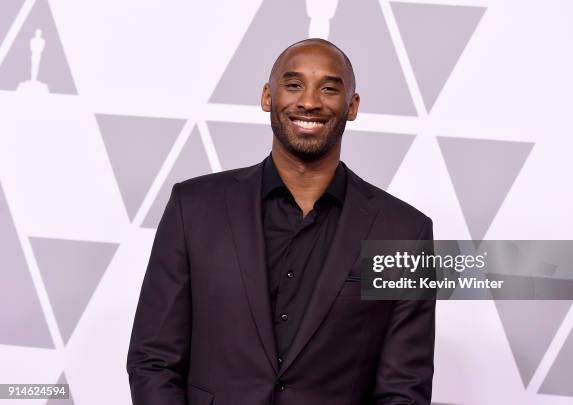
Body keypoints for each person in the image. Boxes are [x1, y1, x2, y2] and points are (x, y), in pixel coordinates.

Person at [127, 38, 435, 405]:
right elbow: (153, 361)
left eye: (329, 88)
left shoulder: (404, 233)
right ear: (267, 98)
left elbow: (404, 390)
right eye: (293, 85)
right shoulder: (192, 208)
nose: (309, 101)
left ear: (352, 106)